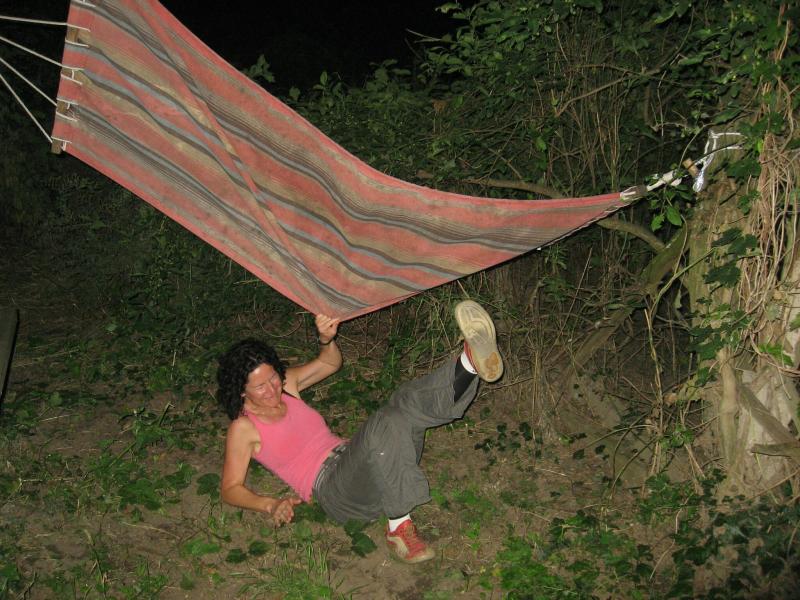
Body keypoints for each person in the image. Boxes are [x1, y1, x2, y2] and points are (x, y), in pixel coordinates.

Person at [215, 300, 503, 564]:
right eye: (260, 386)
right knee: (385, 422)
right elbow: (229, 489)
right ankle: (398, 527)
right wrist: (270, 504)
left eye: (273, 378)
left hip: (364, 463)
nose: (272, 389)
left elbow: (330, 363)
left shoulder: (286, 386)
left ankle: (469, 365)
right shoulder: (244, 427)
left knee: (402, 407)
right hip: (335, 491)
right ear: (241, 391)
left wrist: (326, 339)